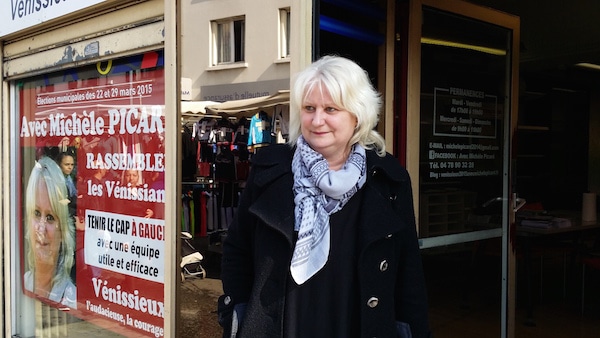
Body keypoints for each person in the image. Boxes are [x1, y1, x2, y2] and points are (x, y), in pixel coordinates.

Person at [218, 55, 431, 338]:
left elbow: (408, 271)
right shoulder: (269, 170)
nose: (317, 120)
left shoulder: (388, 179)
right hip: (282, 327)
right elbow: (237, 248)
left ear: (357, 114)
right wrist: (237, 311)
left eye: (330, 108)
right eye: (309, 108)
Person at [23, 156, 77, 309]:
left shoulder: (71, 300)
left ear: (63, 231)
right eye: (36, 213)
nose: (41, 228)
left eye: (50, 217)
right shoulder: (22, 283)